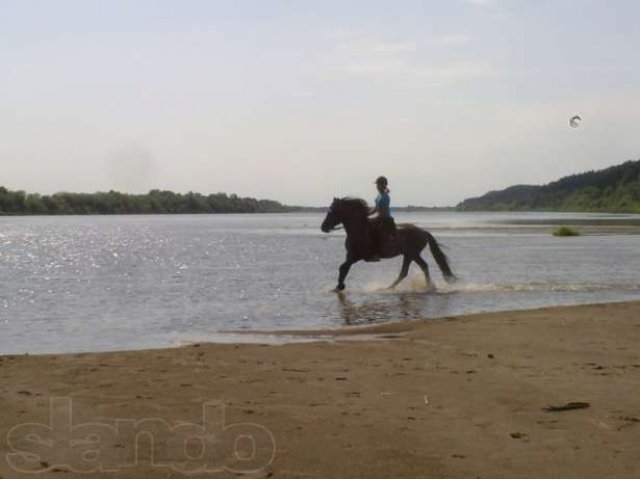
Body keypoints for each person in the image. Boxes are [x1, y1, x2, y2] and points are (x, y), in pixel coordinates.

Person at [368, 176, 396, 260]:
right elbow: (376, 208)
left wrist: (372, 219)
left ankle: (376, 253)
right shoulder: (379, 195)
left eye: (378, 184)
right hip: (380, 218)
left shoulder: (385, 197)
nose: (376, 186)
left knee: (374, 233)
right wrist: (366, 214)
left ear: (382, 185)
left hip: (385, 220)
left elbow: (383, 213)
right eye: (376, 184)